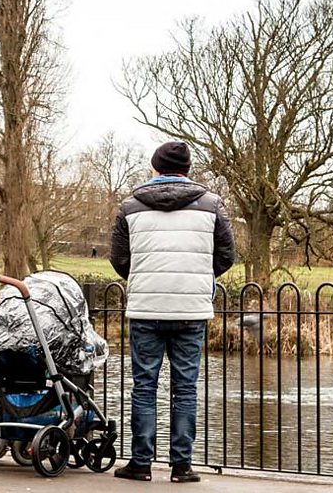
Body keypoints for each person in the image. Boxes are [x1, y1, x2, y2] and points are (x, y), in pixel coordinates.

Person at [109, 141, 235, 483]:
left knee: (144, 387)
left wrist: (145, 277)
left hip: (146, 308)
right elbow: (226, 255)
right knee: (186, 387)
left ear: (155, 167)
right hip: (191, 310)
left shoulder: (131, 206)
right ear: (187, 169)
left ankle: (140, 463)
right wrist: (198, 277)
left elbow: (119, 259)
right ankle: (182, 466)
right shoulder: (212, 205)